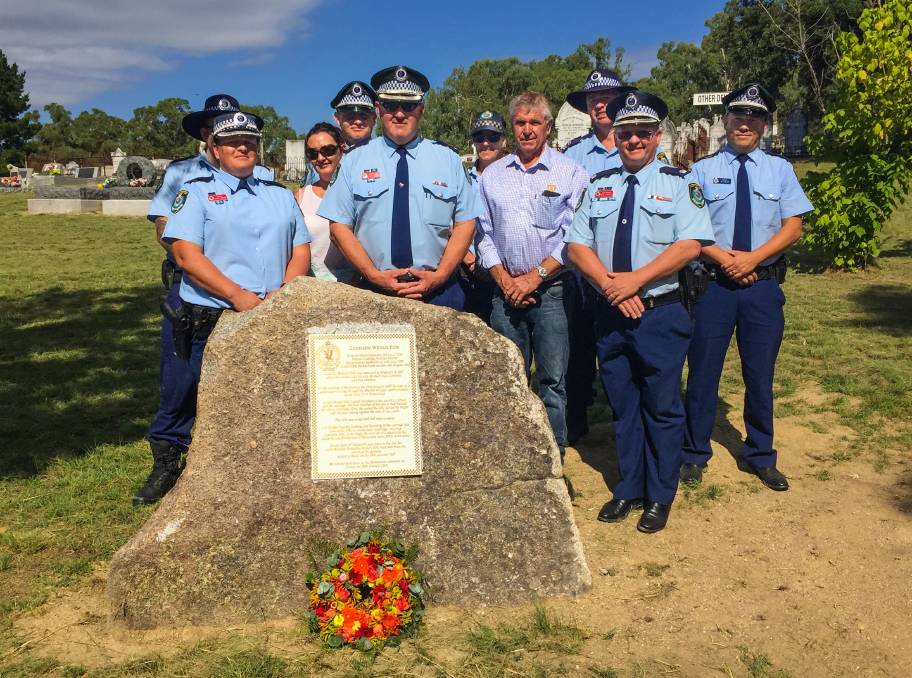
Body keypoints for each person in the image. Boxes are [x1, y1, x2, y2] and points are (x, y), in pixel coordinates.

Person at [566, 90, 714, 533]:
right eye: (626, 132)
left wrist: (636, 280)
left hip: (660, 313)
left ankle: (660, 494)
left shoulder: (680, 183)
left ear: (657, 136)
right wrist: (612, 285)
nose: (633, 140)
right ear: (617, 134)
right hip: (611, 311)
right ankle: (629, 487)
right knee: (623, 404)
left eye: (642, 133)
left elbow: (690, 244)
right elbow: (576, 245)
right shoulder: (599, 184)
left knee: (662, 406)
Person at [148, 111, 311, 503]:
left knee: (263, 400)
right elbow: (186, 254)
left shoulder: (278, 194)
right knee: (184, 394)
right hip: (211, 317)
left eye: (250, 142)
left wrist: (283, 293)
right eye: (233, 142)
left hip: (270, 314)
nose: (243, 147)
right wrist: (238, 296)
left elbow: (300, 249)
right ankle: (169, 464)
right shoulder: (196, 191)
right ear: (214, 149)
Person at [135, 94, 273, 506]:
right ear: (206, 135)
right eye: (215, 124)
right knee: (181, 379)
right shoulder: (183, 173)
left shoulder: (260, 175)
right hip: (193, 289)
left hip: (248, 293)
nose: (225, 131)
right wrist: (199, 255)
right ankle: (167, 459)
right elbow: (164, 228)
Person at [681, 83, 813, 491]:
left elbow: (794, 226)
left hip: (762, 287)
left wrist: (753, 259)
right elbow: (692, 229)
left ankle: (760, 454)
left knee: (760, 373)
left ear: (765, 123)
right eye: (738, 114)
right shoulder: (701, 170)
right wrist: (728, 261)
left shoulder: (781, 170)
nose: (745, 122)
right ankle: (693, 453)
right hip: (713, 286)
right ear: (726, 120)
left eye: (754, 116)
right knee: (703, 373)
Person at [475, 91, 588, 460]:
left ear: (548, 127)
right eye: (520, 123)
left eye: (534, 122)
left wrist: (535, 277)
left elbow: (575, 236)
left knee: (553, 380)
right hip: (504, 292)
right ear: (513, 128)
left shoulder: (570, 173)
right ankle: (514, 453)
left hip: (552, 290)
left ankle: (554, 453)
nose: (527, 130)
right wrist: (505, 280)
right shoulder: (492, 176)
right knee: (509, 378)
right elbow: (483, 233)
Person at [318, 65, 480, 311]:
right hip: (375, 290)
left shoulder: (448, 159)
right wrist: (372, 274)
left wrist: (441, 274)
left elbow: (466, 223)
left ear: (421, 110)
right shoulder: (353, 161)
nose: (400, 114)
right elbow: (339, 227)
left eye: (409, 106)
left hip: (440, 290)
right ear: (379, 109)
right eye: (391, 106)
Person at [562, 70, 633, 446]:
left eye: (607, 96)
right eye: (593, 99)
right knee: (577, 350)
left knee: (623, 351)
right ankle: (576, 424)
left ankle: (628, 422)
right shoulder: (572, 154)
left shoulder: (640, 144)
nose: (600, 104)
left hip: (629, 272)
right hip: (581, 273)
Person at [462, 110, 508, 322]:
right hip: (469, 270)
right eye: (480, 138)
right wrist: (470, 260)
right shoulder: (461, 178)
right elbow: (449, 222)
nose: (486, 144)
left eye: (493, 137)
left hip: (506, 273)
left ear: (504, 141)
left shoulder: (516, 177)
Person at [293, 122, 353, 282]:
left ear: (342, 148)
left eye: (328, 150)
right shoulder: (299, 198)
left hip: (357, 285)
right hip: (313, 287)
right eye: (313, 153)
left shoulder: (358, 194)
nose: (320, 158)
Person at [301, 82, 378, 186]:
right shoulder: (319, 164)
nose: (358, 122)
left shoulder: (387, 158)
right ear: (337, 118)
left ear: (374, 118)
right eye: (350, 116)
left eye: (364, 116)